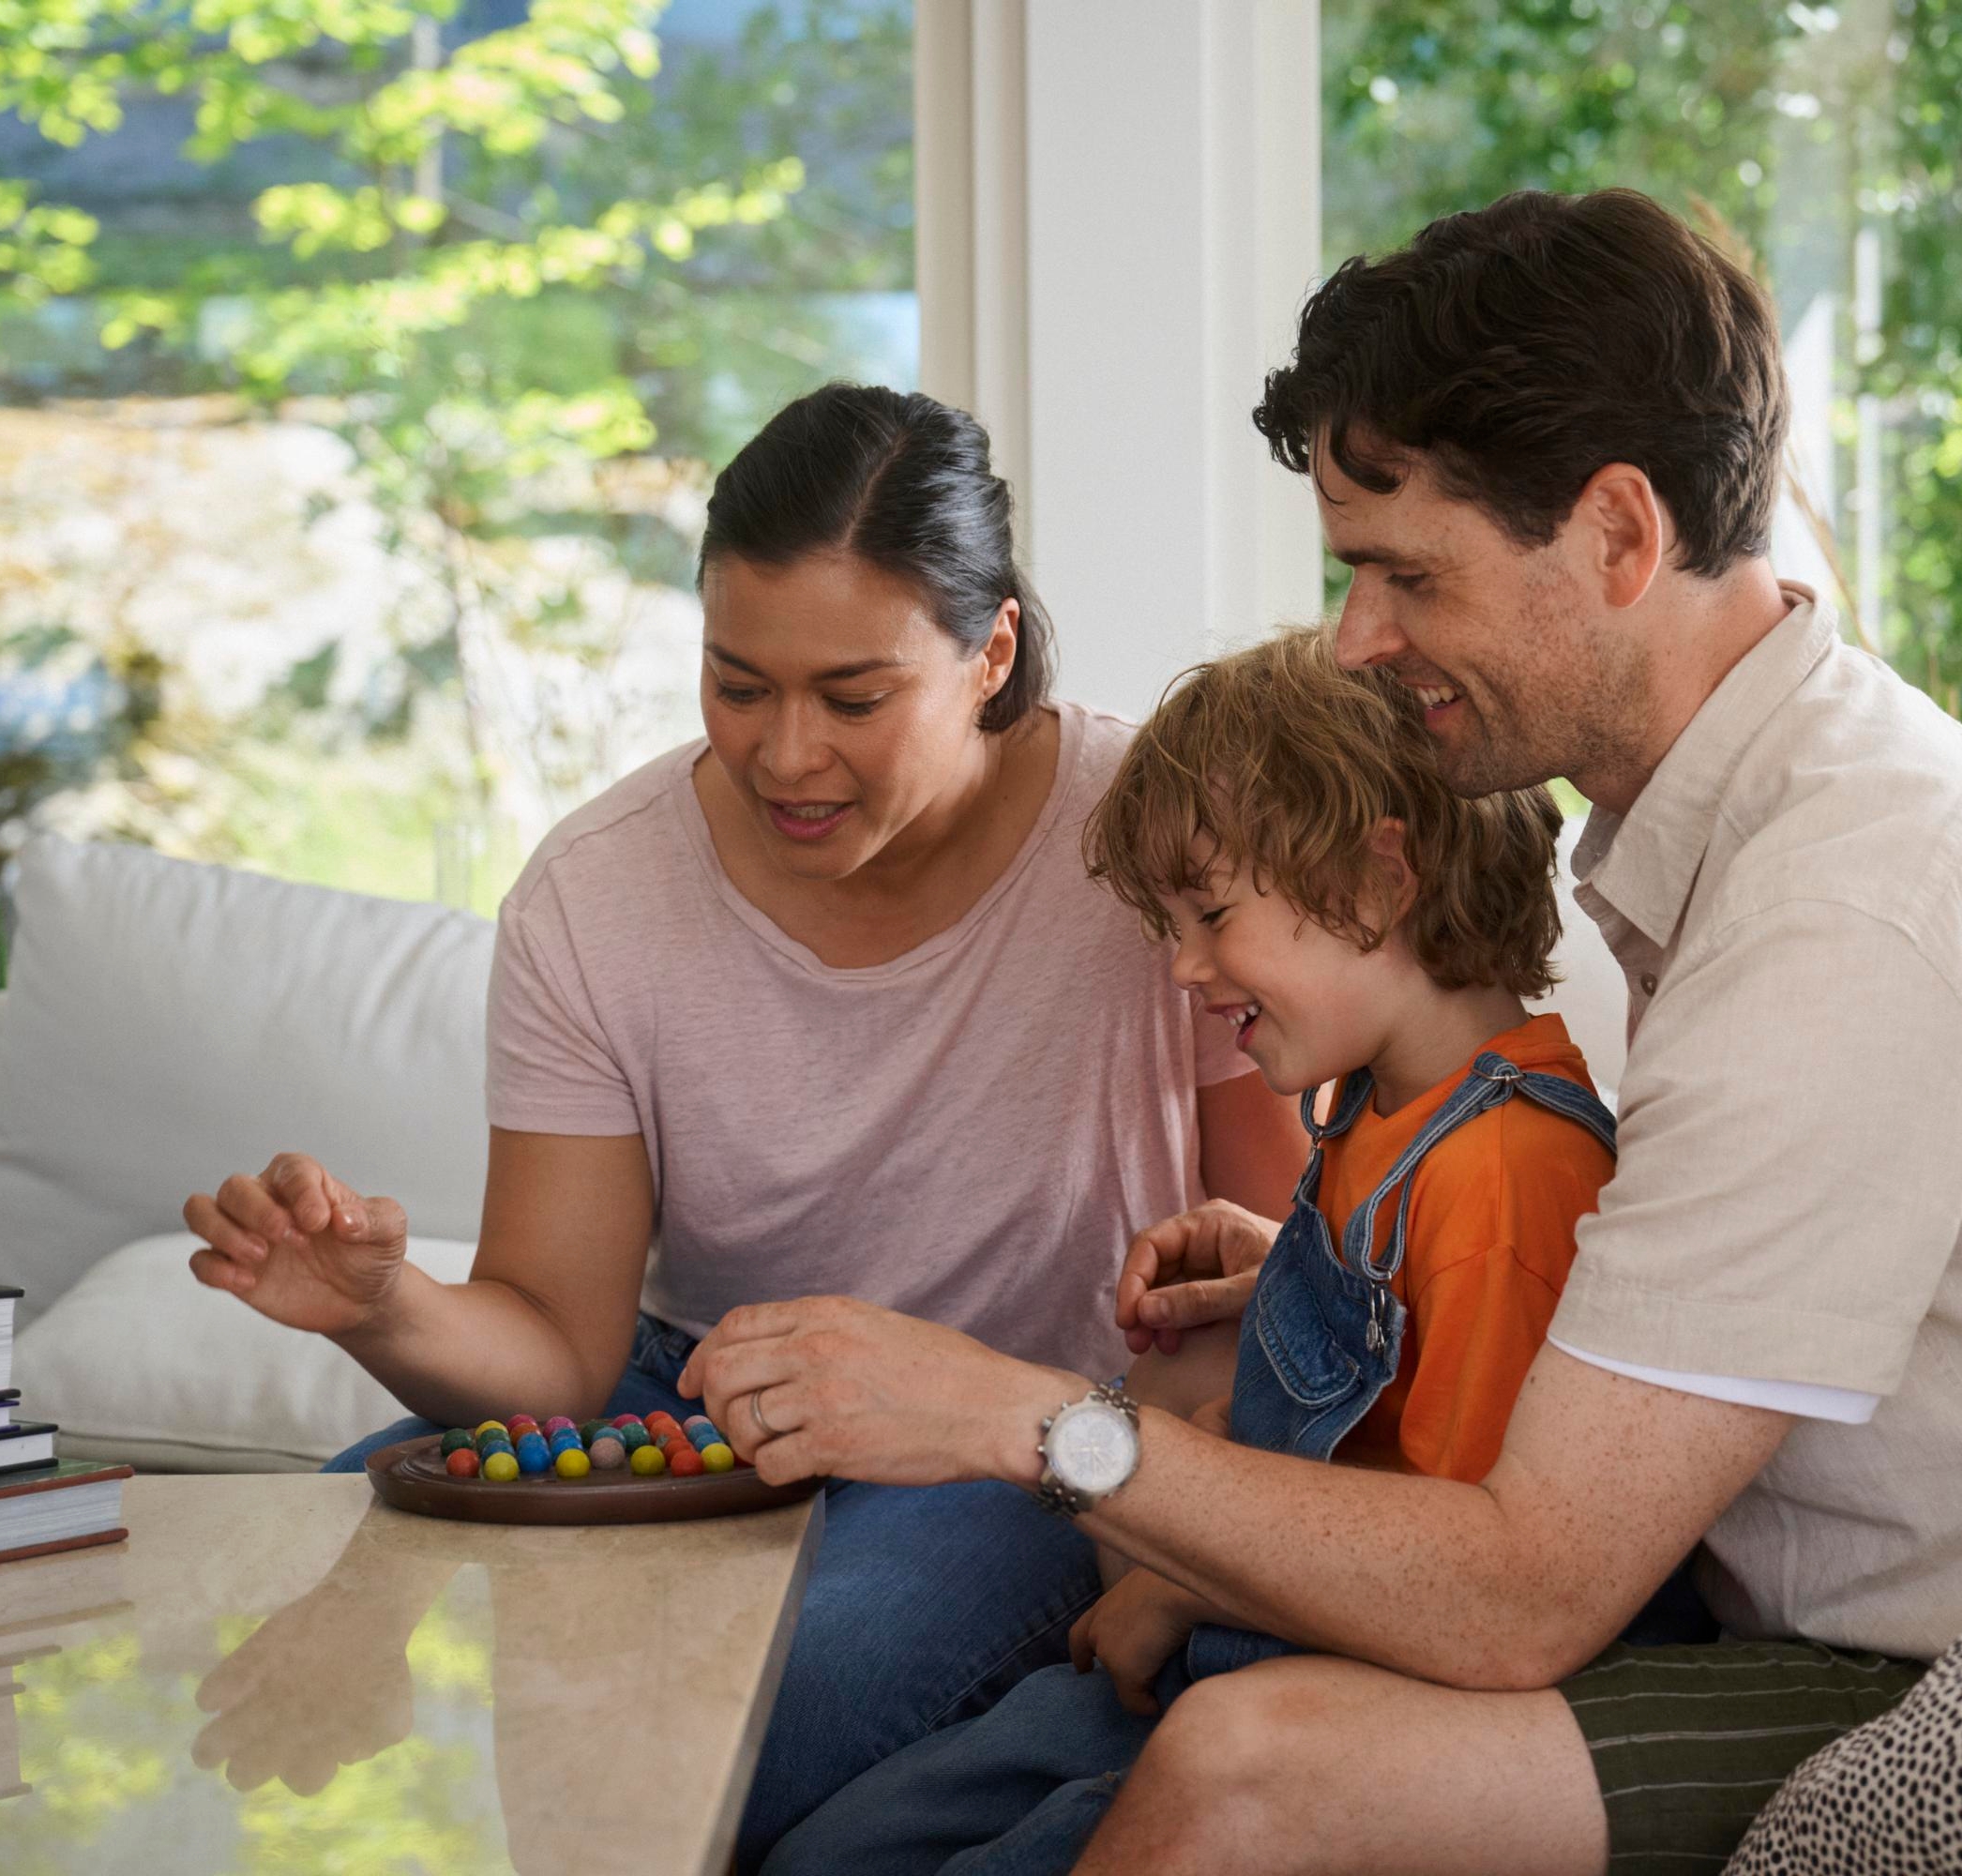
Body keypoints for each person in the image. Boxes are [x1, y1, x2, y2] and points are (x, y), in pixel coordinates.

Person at [671, 191, 1962, 1876]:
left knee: (1258, 1768)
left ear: (1620, 536)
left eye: (1409, 574)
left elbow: (1519, 1591)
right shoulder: (1787, 806)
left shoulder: (1853, 908)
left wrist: (1020, 1422)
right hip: (1899, 1614)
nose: (1359, 640)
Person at [176, 383, 1307, 1863]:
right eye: (736, 681)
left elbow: (1281, 1282)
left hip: (1009, 1433)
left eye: (853, 698)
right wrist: (383, 1308)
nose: (784, 756)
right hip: (696, 1400)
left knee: (744, 1703)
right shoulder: (598, 893)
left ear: (992, 655)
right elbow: (560, 1354)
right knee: (309, 1561)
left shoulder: (1155, 837)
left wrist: (1135, 1469)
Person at [762, 625, 1662, 1876]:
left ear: (1377, 879)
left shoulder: (1507, 1171)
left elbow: (1442, 1568)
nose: (1182, 968)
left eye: (1211, 913)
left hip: (1321, 1701)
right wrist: (1277, 1279)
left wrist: (1182, 1587)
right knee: (831, 1851)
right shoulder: (1371, 1115)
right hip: (1207, 1653)